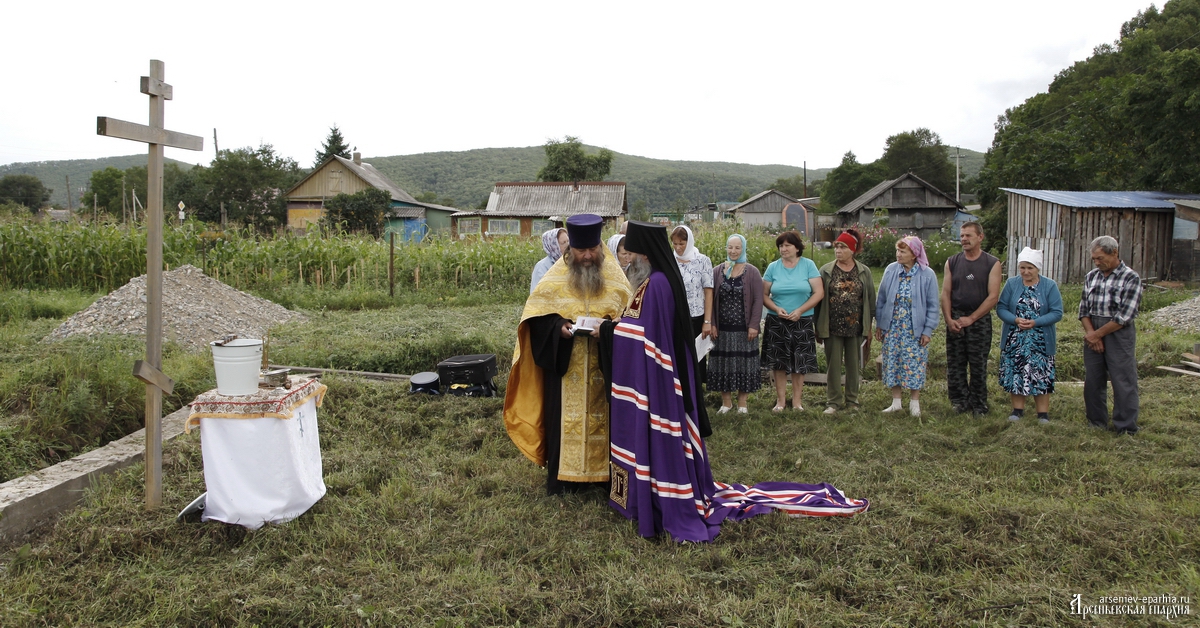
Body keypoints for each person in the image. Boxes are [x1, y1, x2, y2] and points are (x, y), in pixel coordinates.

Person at [605, 221, 869, 542]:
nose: (629, 260)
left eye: (633, 254)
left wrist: (606, 331)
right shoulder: (654, 280)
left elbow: (643, 335)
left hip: (659, 376)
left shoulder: (657, 284)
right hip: (659, 373)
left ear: (645, 254)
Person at [504, 214, 633, 494]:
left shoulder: (617, 280)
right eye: (580, 250)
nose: (587, 256)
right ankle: (564, 481)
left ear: (600, 247)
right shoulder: (553, 279)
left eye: (592, 250)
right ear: (570, 249)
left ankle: (603, 480)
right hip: (565, 370)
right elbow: (535, 319)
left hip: (603, 370)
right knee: (562, 422)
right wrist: (558, 327)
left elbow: (631, 321)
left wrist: (607, 330)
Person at [1079, 235, 1143, 435]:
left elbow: (1125, 315)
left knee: (1122, 380)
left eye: (1100, 258)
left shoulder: (1130, 277)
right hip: (1093, 329)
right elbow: (1083, 310)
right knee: (1093, 379)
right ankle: (1096, 422)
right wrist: (1091, 334)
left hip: (1118, 332)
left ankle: (1125, 426)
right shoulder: (1091, 277)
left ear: (1114, 253)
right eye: (1094, 259)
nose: (1097, 263)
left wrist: (1098, 334)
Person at [940, 222, 1001, 416]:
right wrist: (949, 320)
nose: (964, 239)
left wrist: (972, 318)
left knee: (978, 364)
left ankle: (979, 404)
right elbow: (946, 293)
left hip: (979, 320)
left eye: (968, 235)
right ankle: (959, 401)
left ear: (980, 237)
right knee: (955, 363)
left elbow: (993, 297)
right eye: (962, 236)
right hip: (956, 318)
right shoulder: (952, 262)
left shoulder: (992, 263)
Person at [997, 247, 1063, 424]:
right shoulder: (1012, 284)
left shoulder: (1049, 286)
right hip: (1015, 339)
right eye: (1022, 267)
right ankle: (1017, 410)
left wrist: (1036, 322)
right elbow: (1001, 308)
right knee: (1016, 373)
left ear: (1038, 268)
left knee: (1041, 374)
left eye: (1030, 268)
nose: (1025, 272)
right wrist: (1015, 320)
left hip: (1040, 340)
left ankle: (1043, 414)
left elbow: (1057, 312)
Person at [875, 236, 939, 417]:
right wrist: (880, 324)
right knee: (893, 362)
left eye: (903, 251)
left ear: (914, 254)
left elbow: (933, 305)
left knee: (914, 364)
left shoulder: (927, 274)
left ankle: (914, 403)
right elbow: (881, 299)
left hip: (914, 330)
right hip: (893, 327)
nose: (898, 254)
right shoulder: (891, 270)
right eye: (897, 250)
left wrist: (928, 330)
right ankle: (896, 402)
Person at [815, 229, 875, 415]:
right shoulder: (826, 271)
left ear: (853, 250)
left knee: (853, 365)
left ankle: (852, 400)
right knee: (833, 365)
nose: (838, 250)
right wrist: (817, 326)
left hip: (855, 326)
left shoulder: (864, 271)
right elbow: (818, 300)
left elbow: (870, 300)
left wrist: (869, 327)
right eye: (836, 247)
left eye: (843, 247)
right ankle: (833, 401)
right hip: (832, 326)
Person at [762, 231, 823, 412]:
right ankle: (781, 401)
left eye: (787, 245)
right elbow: (763, 295)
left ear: (797, 248)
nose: (783, 249)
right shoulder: (773, 267)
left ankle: (797, 402)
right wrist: (776, 309)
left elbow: (819, 292)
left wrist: (800, 310)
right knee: (778, 363)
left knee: (800, 362)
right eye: (781, 246)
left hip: (802, 320)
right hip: (777, 321)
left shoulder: (808, 265)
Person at [708, 234, 763, 414]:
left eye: (737, 247)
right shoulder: (717, 271)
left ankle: (742, 404)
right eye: (730, 247)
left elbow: (758, 300)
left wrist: (754, 325)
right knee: (723, 364)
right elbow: (710, 299)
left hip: (744, 330)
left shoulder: (752, 272)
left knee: (744, 365)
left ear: (743, 249)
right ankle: (726, 403)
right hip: (722, 330)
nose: (733, 251)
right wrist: (712, 323)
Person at [670, 225, 715, 382]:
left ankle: (696, 391)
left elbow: (708, 292)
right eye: (675, 244)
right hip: (675, 317)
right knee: (677, 356)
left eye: (681, 244)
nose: (678, 247)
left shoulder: (702, 261)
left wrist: (707, 322)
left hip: (696, 317)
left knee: (696, 357)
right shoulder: (670, 261)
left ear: (688, 242)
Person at [529, 227, 569, 293]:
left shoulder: (571, 264)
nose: (568, 246)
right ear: (553, 246)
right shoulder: (541, 267)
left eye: (568, 241)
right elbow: (536, 294)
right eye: (563, 243)